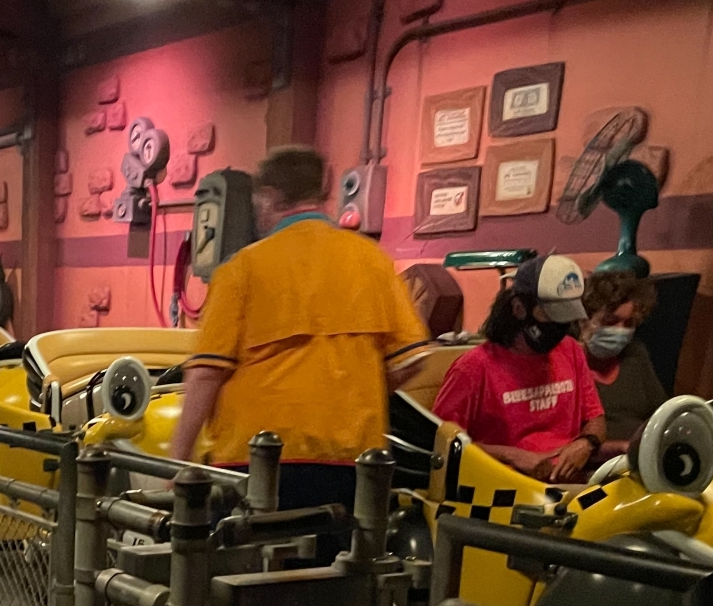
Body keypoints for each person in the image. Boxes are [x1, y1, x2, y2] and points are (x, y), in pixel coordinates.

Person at [168, 145, 429, 513]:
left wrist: (176, 461)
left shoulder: (242, 269)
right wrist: (354, 393)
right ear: (322, 194)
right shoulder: (374, 262)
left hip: (256, 464)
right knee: (341, 549)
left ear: (269, 198)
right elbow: (412, 360)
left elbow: (206, 374)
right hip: (354, 465)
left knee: (248, 552)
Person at [431, 254, 606, 483]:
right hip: (505, 485)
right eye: (552, 315)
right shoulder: (473, 368)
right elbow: (440, 444)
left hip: (568, 482)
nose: (560, 326)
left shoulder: (571, 350)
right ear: (519, 308)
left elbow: (596, 418)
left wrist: (586, 443)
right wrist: (512, 456)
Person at [579, 268, 667, 458]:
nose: (620, 331)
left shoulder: (635, 353)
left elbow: (660, 411)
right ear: (584, 320)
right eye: (611, 321)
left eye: (629, 324)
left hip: (645, 456)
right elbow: (564, 443)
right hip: (600, 463)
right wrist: (621, 448)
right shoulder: (569, 362)